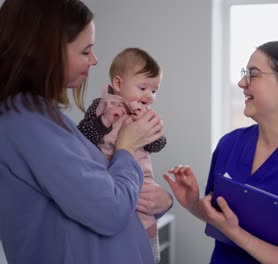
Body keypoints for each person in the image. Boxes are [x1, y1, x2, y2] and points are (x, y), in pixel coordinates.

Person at [0, 0, 171, 263]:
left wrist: (162, 201)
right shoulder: (27, 124)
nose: (95, 60)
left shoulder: (44, 117)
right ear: (44, 50)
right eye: (85, 51)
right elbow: (110, 208)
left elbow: (99, 187)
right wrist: (126, 146)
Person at [164, 41, 278, 264]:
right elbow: (217, 217)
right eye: (244, 73)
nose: (241, 82)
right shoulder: (229, 145)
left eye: (253, 75)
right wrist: (192, 203)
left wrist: (236, 233)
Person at [78, 47, 168, 263]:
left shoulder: (146, 114)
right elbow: (82, 136)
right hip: (109, 178)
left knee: (147, 221)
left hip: (141, 177)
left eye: (154, 91)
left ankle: (150, 255)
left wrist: (153, 131)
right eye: (143, 87)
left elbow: (159, 145)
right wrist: (104, 122)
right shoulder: (100, 107)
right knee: (119, 225)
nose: (149, 96)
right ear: (118, 84)